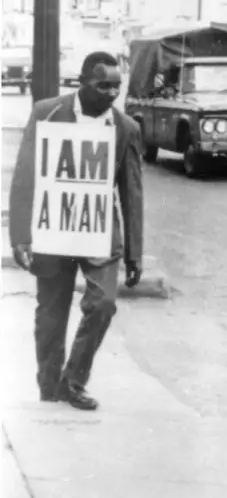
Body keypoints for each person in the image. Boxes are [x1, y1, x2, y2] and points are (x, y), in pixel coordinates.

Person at [8, 51, 144, 411]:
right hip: (54, 230)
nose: (112, 93)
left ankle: (74, 381)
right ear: (82, 82)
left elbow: (132, 194)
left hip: (99, 232)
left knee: (103, 304)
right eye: (104, 85)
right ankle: (50, 387)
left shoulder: (126, 129)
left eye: (117, 86)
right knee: (51, 316)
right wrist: (20, 236)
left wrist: (134, 253)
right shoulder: (47, 113)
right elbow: (24, 178)